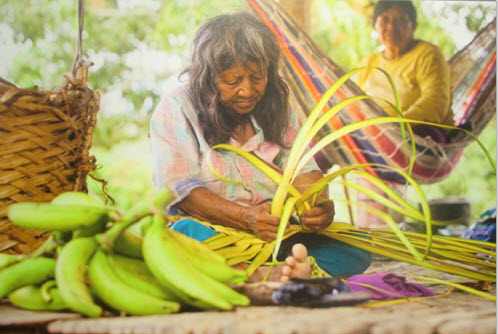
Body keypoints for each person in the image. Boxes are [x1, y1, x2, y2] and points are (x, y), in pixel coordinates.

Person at [149, 11, 372, 281]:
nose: (247, 91)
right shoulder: (177, 108)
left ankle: (264, 273)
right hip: (213, 235)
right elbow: (180, 192)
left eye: (257, 77)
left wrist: (319, 205)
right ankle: (283, 273)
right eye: (233, 81)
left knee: (356, 245)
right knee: (181, 235)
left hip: (275, 239)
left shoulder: (276, 105)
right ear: (208, 79)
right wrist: (246, 218)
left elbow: (303, 169)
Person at [352, 0, 455, 228]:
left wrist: (394, 127)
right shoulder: (369, 62)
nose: (392, 26)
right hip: (374, 139)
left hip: (419, 136)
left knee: (378, 151)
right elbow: (354, 104)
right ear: (375, 26)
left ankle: (387, 229)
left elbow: (435, 102)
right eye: (385, 20)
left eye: (401, 20)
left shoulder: (428, 54)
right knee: (324, 147)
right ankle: (306, 207)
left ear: (414, 26)